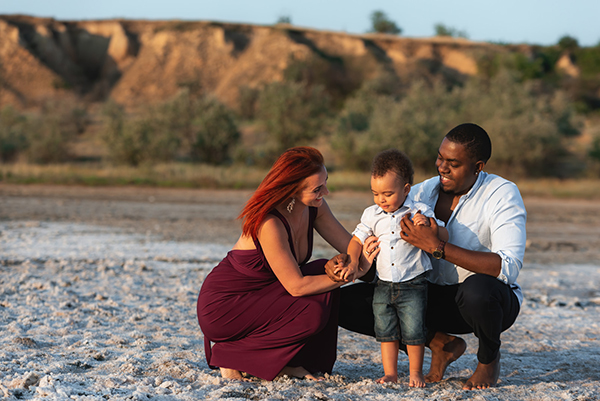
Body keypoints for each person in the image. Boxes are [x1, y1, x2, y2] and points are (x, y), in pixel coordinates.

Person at [330, 123, 526, 390]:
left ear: (478, 167)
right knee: (345, 302)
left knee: (478, 290)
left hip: (482, 304)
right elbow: (391, 257)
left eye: (453, 163)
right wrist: (353, 261)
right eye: (440, 157)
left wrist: (437, 247)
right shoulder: (419, 193)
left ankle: (488, 360)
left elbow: (508, 267)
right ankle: (440, 344)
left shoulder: (502, 194)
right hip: (425, 295)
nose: (441, 167)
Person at [197, 147, 378, 381]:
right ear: (292, 189)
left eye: (325, 183)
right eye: (317, 188)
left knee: (323, 269)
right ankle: (229, 354)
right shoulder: (269, 223)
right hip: (226, 307)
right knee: (312, 310)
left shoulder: (315, 207)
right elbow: (296, 287)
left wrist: (358, 258)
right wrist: (352, 273)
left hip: (265, 295)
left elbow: (349, 243)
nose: (326, 191)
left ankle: (285, 363)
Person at [336, 149, 449, 387]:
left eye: (388, 193)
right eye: (375, 193)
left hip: (414, 283)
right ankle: (391, 373)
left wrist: (429, 226)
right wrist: (354, 261)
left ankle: (416, 373)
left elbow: (445, 234)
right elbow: (356, 240)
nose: (381, 199)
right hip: (383, 284)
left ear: (406, 189)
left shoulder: (419, 210)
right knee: (386, 331)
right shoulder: (372, 214)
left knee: (414, 331)